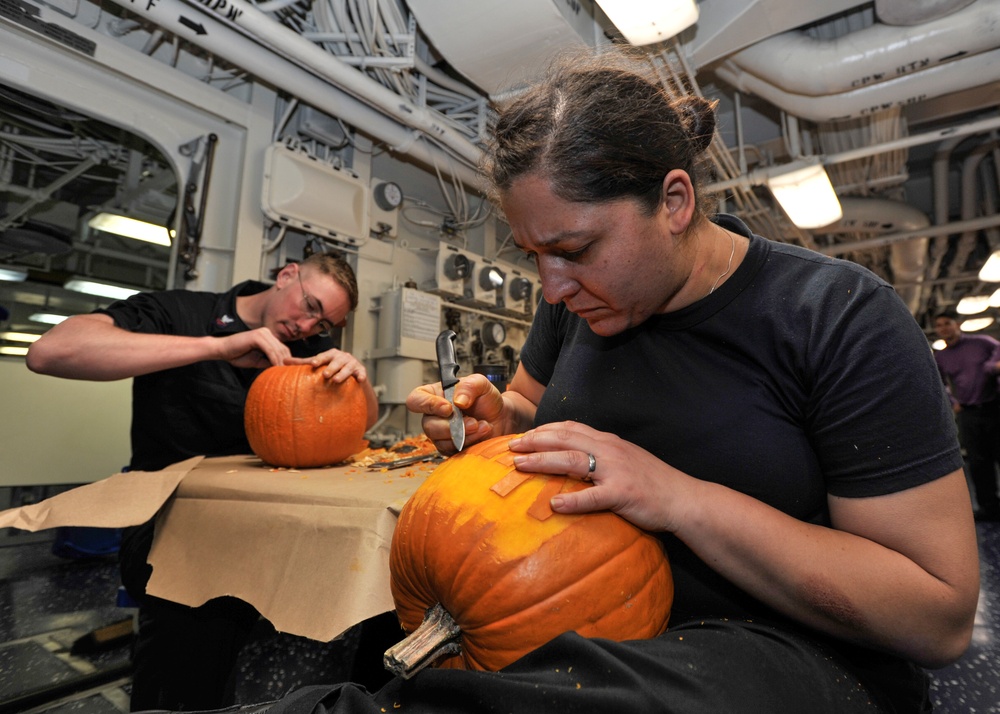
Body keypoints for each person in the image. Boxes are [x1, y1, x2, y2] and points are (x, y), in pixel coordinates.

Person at [398, 51, 981, 713]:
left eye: (574, 249)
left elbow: (937, 617)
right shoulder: (573, 305)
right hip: (596, 630)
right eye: (533, 255)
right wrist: (498, 421)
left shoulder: (838, 318)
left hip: (795, 649)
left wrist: (679, 498)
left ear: (675, 201)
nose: (552, 288)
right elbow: (532, 408)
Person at [26, 251, 380, 712]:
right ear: (287, 275)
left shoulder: (305, 352)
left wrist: (358, 378)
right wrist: (215, 347)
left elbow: (363, 420)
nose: (308, 327)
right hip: (169, 527)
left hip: (262, 526)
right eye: (310, 307)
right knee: (191, 637)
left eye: (323, 325)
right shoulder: (181, 311)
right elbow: (48, 352)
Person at [933, 309, 1000, 521]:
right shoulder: (941, 356)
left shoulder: (981, 342)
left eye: (947, 323)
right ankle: (989, 507)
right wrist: (953, 402)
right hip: (969, 414)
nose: (943, 328)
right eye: (939, 325)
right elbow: (939, 383)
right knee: (978, 462)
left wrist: (991, 366)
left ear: (957, 324)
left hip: (994, 407)